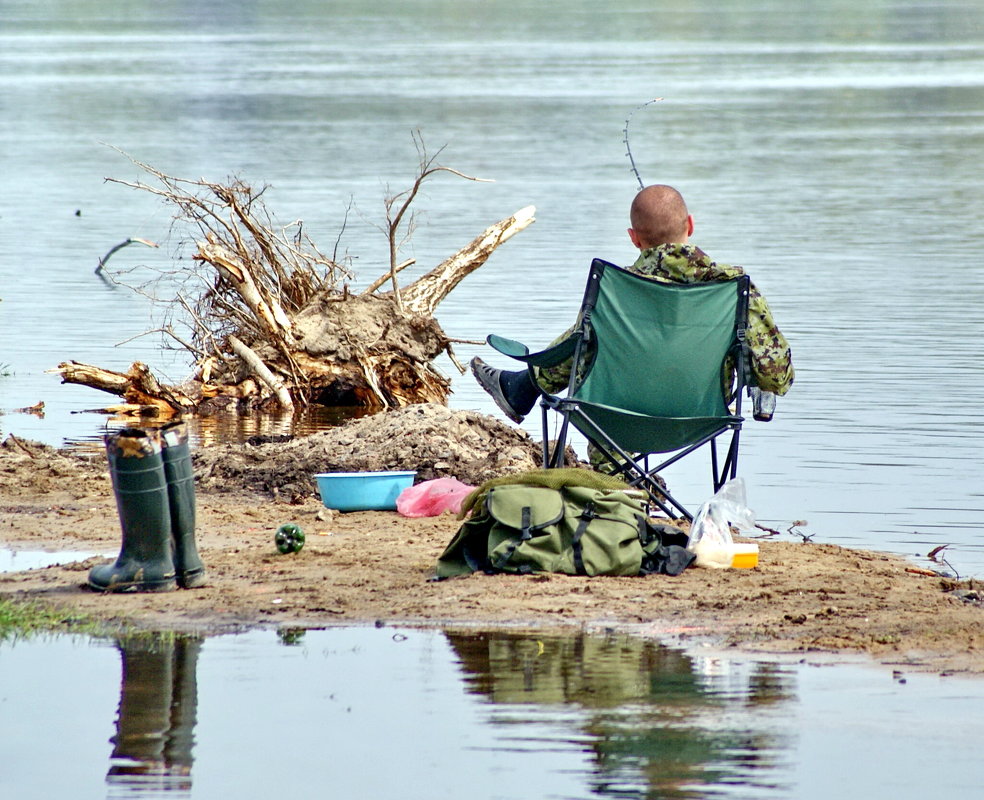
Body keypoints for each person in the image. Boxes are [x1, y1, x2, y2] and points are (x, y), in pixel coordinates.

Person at [471, 184, 794, 422]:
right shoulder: (734, 289)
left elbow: (573, 349)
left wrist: (538, 365)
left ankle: (524, 388)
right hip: (699, 418)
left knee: (587, 339)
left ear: (633, 237)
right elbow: (775, 375)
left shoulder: (616, 289)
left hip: (613, 420)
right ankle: (521, 389)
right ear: (691, 225)